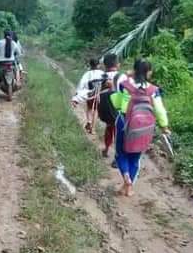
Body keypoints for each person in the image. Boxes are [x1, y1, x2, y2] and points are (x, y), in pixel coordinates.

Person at [111, 58, 170, 197]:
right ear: (149, 72)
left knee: (121, 153)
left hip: (124, 121)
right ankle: (130, 185)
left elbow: (117, 103)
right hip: (144, 126)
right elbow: (160, 110)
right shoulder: (153, 90)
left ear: (134, 69)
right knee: (135, 156)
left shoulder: (124, 85)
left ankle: (126, 179)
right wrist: (164, 126)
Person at [98, 53, 127, 159]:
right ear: (117, 64)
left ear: (105, 65)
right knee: (120, 131)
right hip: (117, 106)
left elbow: (95, 91)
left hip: (104, 108)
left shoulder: (101, 76)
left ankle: (106, 149)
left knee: (110, 127)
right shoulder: (122, 76)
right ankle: (117, 155)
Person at [71, 58, 104, 134]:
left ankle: (89, 121)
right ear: (98, 65)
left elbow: (81, 83)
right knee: (95, 111)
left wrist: (77, 93)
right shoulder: (102, 73)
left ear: (90, 65)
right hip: (98, 94)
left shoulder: (87, 74)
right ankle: (93, 128)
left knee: (89, 108)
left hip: (89, 94)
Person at [0, 30, 20, 97]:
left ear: (4, 35)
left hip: (1, 64)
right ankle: (17, 82)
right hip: (11, 64)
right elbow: (18, 53)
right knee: (16, 70)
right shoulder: (14, 43)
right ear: (11, 36)